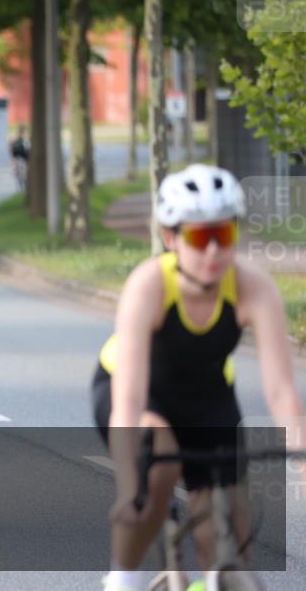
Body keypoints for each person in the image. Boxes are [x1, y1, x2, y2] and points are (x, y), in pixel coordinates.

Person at [92, 164, 305, 591]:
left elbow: (282, 391)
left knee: (230, 541)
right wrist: (128, 486)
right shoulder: (148, 285)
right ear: (171, 238)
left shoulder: (253, 287)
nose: (213, 253)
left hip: (208, 401)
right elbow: (129, 400)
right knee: (155, 468)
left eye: (223, 236)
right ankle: (124, 580)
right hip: (138, 394)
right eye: (199, 237)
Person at [9, 124, 29, 191]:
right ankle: (22, 187)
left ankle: (23, 187)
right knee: (20, 175)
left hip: (21, 159)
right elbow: (13, 150)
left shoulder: (24, 140)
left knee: (22, 175)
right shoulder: (19, 141)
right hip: (20, 159)